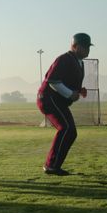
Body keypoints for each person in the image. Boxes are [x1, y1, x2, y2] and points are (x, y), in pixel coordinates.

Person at [38, 32, 93, 175]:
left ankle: (53, 165)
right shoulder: (64, 59)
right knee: (67, 128)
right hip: (48, 98)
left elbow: (67, 81)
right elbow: (53, 81)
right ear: (75, 46)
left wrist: (78, 90)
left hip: (56, 100)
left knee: (70, 131)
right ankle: (51, 165)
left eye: (89, 47)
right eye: (85, 46)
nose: (88, 49)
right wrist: (70, 94)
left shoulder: (79, 62)